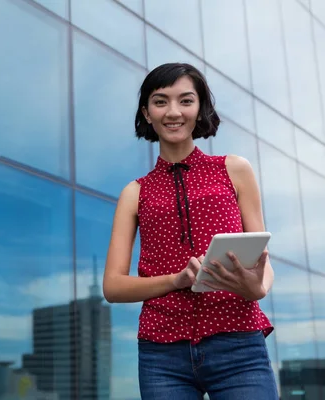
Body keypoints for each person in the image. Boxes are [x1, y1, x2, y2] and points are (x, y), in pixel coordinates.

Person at [102, 63, 278, 399]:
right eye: (160, 101)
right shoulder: (134, 193)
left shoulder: (235, 170)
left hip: (238, 341)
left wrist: (258, 287)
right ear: (147, 113)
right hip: (161, 353)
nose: (173, 112)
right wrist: (176, 280)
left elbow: (263, 258)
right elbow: (113, 286)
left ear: (200, 110)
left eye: (185, 101)